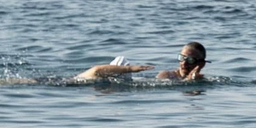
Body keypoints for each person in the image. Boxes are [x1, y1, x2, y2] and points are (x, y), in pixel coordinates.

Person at [72, 41, 207, 82]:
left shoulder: (203, 80)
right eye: (181, 58)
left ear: (201, 64)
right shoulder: (168, 75)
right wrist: (130, 69)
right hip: (124, 80)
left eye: (190, 60)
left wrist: (193, 79)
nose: (184, 63)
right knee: (120, 62)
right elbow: (97, 70)